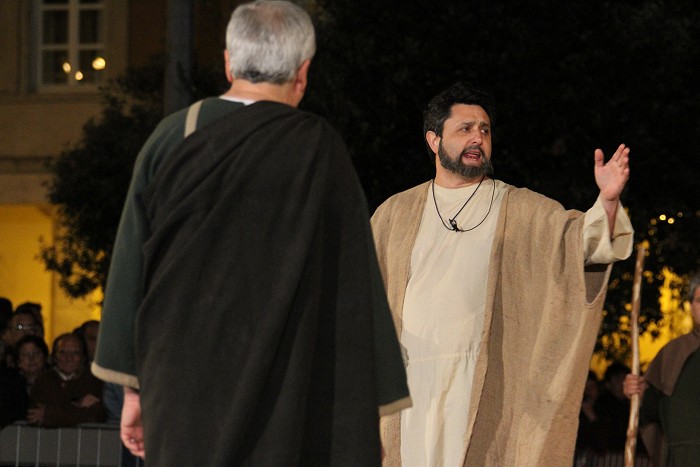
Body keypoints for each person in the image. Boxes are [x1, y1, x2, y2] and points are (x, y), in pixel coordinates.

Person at [92, 1, 410, 465]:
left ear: (228, 63)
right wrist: (357, 421)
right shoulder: (319, 147)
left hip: (185, 387)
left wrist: (134, 391)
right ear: (302, 73)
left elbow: (130, 270)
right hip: (291, 391)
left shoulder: (175, 135)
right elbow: (351, 288)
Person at [370, 81, 634, 465]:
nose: (478, 138)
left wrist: (607, 203)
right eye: (465, 129)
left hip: (480, 384)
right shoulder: (394, 214)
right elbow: (360, 301)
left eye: (485, 130)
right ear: (433, 140)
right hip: (409, 385)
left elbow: (578, 242)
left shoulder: (518, 208)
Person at [623, 271, 700, 466]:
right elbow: (650, 409)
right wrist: (636, 391)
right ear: (691, 307)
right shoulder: (673, 352)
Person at [27, 333, 105, 427]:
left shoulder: (94, 381)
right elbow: (35, 416)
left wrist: (48, 413)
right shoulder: (44, 380)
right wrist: (76, 406)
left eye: (75, 353)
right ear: (54, 356)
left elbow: (95, 416)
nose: (69, 358)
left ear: (83, 358)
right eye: (63, 352)